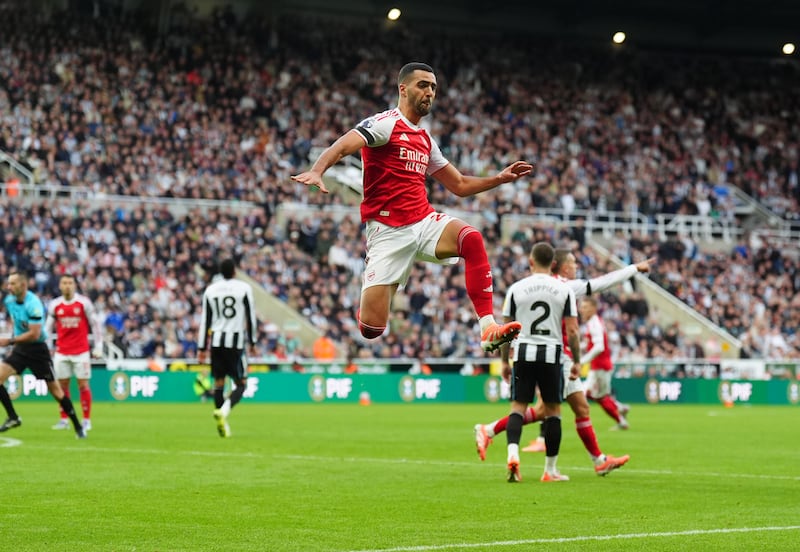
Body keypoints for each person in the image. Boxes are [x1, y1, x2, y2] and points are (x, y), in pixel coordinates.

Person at [291, 62, 531, 353]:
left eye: (433, 87)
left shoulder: (426, 139)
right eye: (423, 85)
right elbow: (344, 145)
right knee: (371, 329)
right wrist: (318, 170)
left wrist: (499, 179)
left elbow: (459, 186)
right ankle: (383, 282)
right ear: (402, 89)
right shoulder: (385, 123)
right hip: (387, 232)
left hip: (423, 220)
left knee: (472, 238)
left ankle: (487, 326)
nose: (429, 92)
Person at [474, 250, 654, 475]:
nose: (576, 266)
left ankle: (489, 430)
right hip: (558, 357)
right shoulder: (565, 287)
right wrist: (634, 268)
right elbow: (601, 284)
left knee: (551, 409)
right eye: (573, 262)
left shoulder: (523, 287)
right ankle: (589, 463)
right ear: (560, 265)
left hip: (533, 353)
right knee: (565, 409)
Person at [500, 242, 579, 482]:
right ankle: (550, 470)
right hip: (552, 354)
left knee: (518, 408)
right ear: (553, 264)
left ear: (531, 261)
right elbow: (573, 331)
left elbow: (506, 330)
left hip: (523, 352)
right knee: (553, 411)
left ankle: (513, 455)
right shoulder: (564, 290)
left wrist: (505, 361)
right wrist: (576, 360)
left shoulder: (516, 289)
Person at [0, 270, 86, 439]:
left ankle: (77, 425)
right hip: (21, 349)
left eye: (13, 283)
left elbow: (34, 334)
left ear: (23, 285)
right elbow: (18, 323)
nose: (9, 287)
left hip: (38, 350)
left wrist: (9, 341)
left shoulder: (34, 304)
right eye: (8, 283)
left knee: (56, 392)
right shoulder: (9, 300)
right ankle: (13, 417)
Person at [197, 258, 258, 438]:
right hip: (236, 342)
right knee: (241, 384)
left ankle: (221, 424)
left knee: (219, 383)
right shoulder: (244, 288)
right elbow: (251, 317)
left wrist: (201, 348)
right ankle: (224, 411)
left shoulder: (210, 290)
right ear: (234, 271)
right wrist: (253, 342)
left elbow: (205, 321)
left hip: (216, 342)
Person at [46, 273, 104, 432]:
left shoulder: (84, 303)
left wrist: (99, 346)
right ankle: (64, 419)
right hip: (62, 351)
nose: (67, 286)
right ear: (60, 285)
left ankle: (86, 420)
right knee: (62, 386)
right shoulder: (55, 305)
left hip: (81, 351)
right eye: (64, 283)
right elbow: (47, 328)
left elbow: (95, 324)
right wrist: (46, 348)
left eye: (70, 283)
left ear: (74, 285)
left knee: (83, 384)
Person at [580, 295, 629, 429]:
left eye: (585, 307)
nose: (581, 310)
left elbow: (599, 346)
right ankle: (620, 410)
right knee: (598, 396)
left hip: (600, 366)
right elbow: (591, 344)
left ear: (594, 308)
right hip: (598, 366)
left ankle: (621, 420)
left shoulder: (595, 323)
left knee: (597, 396)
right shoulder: (593, 322)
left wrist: (583, 361)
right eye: (581, 307)